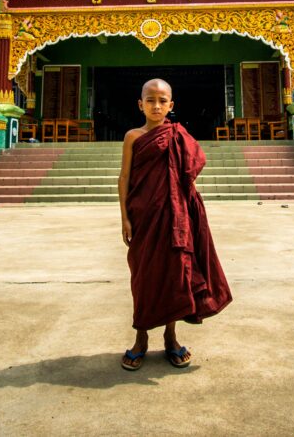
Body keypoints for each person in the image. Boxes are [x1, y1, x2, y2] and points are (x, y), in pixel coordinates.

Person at [117, 78, 232, 371]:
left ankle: (170, 337)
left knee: (174, 276)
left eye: (162, 100)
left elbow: (188, 171)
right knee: (143, 278)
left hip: (174, 217)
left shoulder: (178, 135)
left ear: (172, 105)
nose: (156, 106)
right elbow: (124, 178)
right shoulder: (133, 136)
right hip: (144, 216)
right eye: (150, 100)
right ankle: (141, 338)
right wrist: (125, 218)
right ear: (140, 104)